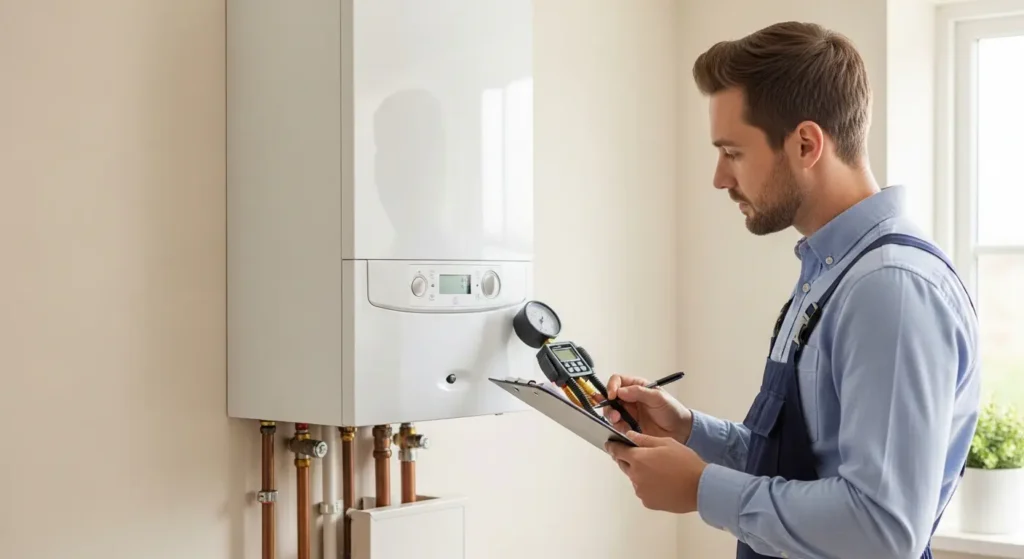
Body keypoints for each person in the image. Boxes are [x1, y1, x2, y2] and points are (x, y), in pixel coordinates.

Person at [603, 21, 981, 559]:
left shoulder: (889, 289)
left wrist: (701, 488)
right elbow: (798, 468)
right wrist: (687, 429)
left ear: (805, 143)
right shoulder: (831, 273)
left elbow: (884, 531)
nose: (718, 178)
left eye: (732, 152)